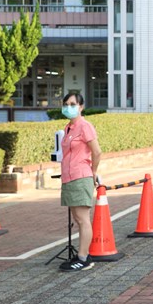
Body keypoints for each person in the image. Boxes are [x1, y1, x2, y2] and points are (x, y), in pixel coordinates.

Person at [59, 92, 102, 272]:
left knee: (83, 219)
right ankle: (82, 254)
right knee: (77, 218)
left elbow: (97, 152)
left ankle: (83, 258)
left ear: (81, 107)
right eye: (66, 104)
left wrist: (93, 172)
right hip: (68, 177)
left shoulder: (85, 126)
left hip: (81, 176)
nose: (68, 107)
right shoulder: (68, 128)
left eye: (72, 104)